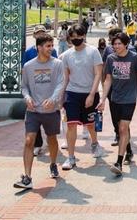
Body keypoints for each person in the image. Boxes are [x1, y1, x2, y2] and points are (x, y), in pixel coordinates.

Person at [15, 32, 65, 189]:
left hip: (51, 110)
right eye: (47, 46)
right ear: (39, 47)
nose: (51, 48)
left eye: (52, 46)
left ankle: (53, 163)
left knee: (52, 139)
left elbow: (60, 84)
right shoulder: (28, 66)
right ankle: (27, 177)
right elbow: (24, 86)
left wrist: (53, 99)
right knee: (29, 141)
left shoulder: (57, 64)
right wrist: (27, 97)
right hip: (33, 111)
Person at [97, 33, 137, 177]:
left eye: (119, 44)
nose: (116, 46)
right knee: (119, 129)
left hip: (129, 99)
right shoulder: (110, 58)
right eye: (114, 44)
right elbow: (107, 80)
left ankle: (118, 162)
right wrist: (103, 99)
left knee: (123, 127)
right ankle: (129, 150)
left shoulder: (134, 57)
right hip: (115, 99)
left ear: (126, 44)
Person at [60, 24, 105, 171]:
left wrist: (92, 94)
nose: (76, 39)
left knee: (90, 124)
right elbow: (65, 77)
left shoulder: (93, 52)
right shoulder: (66, 55)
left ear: (84, 36)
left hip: (90, 93)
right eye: (73, 37)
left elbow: (98, 74)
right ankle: (71, 157)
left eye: (79, 37)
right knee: (71, 124)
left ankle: (94, 144)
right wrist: (62, 96)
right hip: (72, 94)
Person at [22, 26, 58, 156]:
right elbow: (24, 70)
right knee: (32, 128)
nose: (40, 34)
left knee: (51, 133)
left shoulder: (51, 51)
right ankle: (37, 144)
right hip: (34, 93)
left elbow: (57, 71)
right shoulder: (28, 53)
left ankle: (52, 149)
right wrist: (27, 94)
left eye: (42, 32)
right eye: (37, 33)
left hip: (49, 94)